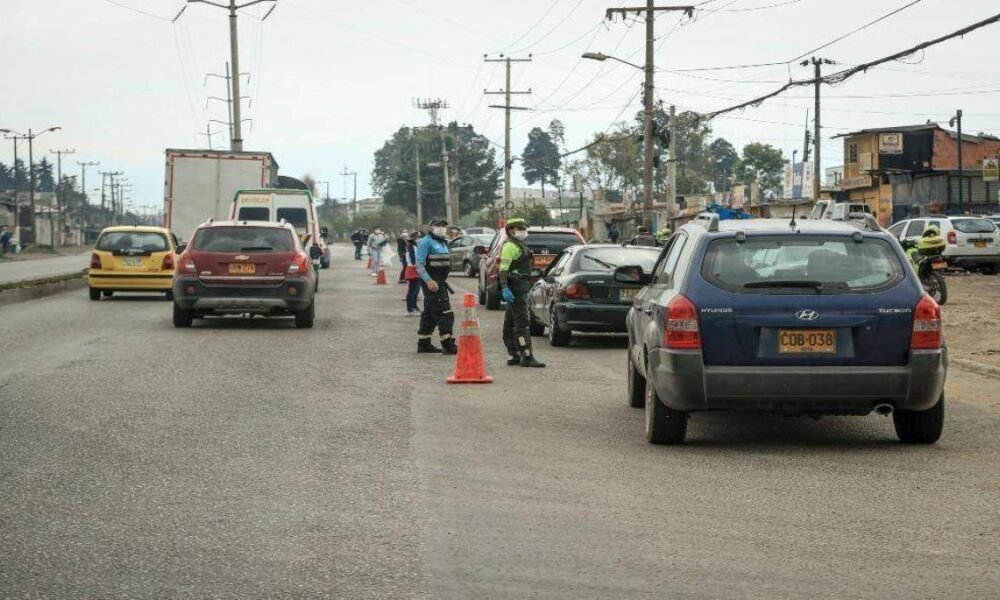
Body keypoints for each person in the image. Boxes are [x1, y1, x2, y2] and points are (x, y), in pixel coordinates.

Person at [498, 218, 546, 368]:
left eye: (524, 228)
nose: (524, 231)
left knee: (510, 322)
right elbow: (503, 270)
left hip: (520, 286)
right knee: (522, 324)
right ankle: (526, 355)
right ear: (511, 231)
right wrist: (505, 287)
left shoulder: (519, 245)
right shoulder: (510, 247)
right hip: (516, 288)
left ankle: (514, 354)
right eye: (520, 228)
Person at [414, 218, 457, 354]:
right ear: (431, 227)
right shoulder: (425, 242)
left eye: (444, 226)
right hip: (433, 283)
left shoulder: (443, 242)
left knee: (429, 313)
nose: (442, 228)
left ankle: (424, 343)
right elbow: (419, 265)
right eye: (439, 226)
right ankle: (448, 344)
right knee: (445, 313)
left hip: (440, 281)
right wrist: (428, 280)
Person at [404, 231, 422, 315]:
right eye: (418, 237)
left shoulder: (414, 246)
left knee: (416, 290)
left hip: (414, 269)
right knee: (412, 291)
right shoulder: (411, 247)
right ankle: (410, 309)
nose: (420, 238)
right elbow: (413, 260)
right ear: (414, 238)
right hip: (412, 269)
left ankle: (414, 306)